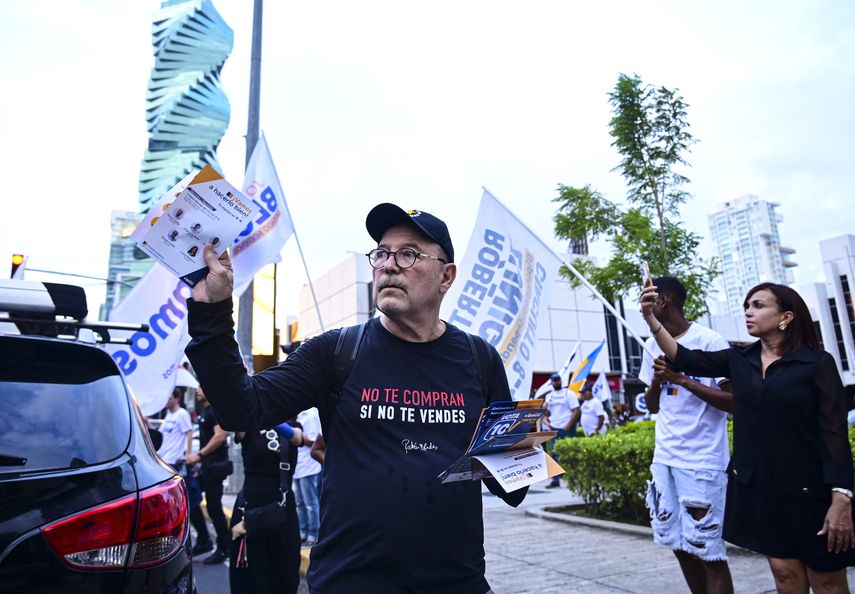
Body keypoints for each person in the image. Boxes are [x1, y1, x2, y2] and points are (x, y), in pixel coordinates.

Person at [185, 203, 527, 593]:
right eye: (381, 253)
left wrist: (522, 442)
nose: (389, 265)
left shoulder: (480, 358)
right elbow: (240, 408)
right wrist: (212, 312)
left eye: (408, 254)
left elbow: (513, 486)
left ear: (446, 276)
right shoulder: (335, 352)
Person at [641, 280, 855, 593]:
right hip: (764, 488)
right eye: (746, 307)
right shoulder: (741, 359)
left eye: (759, 306)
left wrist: (841, 498)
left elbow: (834, 433)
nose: (748, 313)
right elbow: (684, 357)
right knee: (785, 576)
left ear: (786, 316)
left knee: (826, 581)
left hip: (812, 490)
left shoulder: (816, 364)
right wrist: (650, 318)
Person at [638, 276, 734, 594]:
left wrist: (682, 379)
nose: (643, 302)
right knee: (678, 545)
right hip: (665, 458)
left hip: (702, 460)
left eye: (650, 296)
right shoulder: (651, 344)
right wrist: (657, 380)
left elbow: (734, 403)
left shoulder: (710, 340)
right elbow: (653, 405)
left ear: (663, 300)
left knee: (708, 551)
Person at [229, 421, 303, 594]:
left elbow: (297, 437)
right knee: (249, 578)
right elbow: (236, 422)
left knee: (284, 574)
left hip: (282, 510)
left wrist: (268, 415)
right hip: (249, 508)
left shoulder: (294, 427)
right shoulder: (247, 425)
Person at [185, 386, 232, 565]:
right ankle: (204, 540)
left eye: (201, 387)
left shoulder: (215, 410)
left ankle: (224, 547)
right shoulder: (205, 411)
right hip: (206, 467)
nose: (197, 390)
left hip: (215, 467)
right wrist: (199, 463)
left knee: (213, 507)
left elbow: (220, 436)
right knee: (194, 500)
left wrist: (199, 455)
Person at [543, 372, 580, 488]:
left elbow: (576, 410)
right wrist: (544, 410)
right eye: (555, 381)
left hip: (567, 427)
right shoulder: (549, 396)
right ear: (552, 383)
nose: (557, 382)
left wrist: (569, 424)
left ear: (561, 381)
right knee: (554, 453)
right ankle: (555, 479)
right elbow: (548, 413)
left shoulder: (568, 394)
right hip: (554, 427)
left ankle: (574, 477)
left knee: (570, 453)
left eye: (558, 380)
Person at [294, 408, 322, 546]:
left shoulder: (311, 415)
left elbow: (314, 441)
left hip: (308, 466)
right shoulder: (297, 415)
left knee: (310, 503)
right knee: (299, 502)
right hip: (298, 465)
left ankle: (314, 533)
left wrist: (295, 434)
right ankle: (303, 531)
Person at [156, 388, 192, 471]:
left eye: (169, 398)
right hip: (163, 458)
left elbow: (189, 434)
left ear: (177, 399)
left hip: (173, 459)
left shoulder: (182, 414)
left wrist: (187, 455)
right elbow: (161, 433)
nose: (166, 401)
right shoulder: (169, 415)